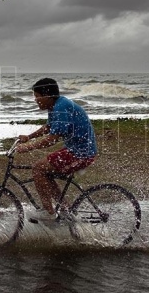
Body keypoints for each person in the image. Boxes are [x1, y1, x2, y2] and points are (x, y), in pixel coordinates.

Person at [15, 78, 98, 224]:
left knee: (38, 168)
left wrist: (28, 147)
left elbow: (52, 138)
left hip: (81, 153)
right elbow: (48, 127)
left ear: (47, 95)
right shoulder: (56, 105)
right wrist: (29, 137)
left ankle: (48, 213)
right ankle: (66, 209)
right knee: (46, 172)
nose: (36, 100)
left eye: (37, 96)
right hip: (75, 150)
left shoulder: (60, 107)